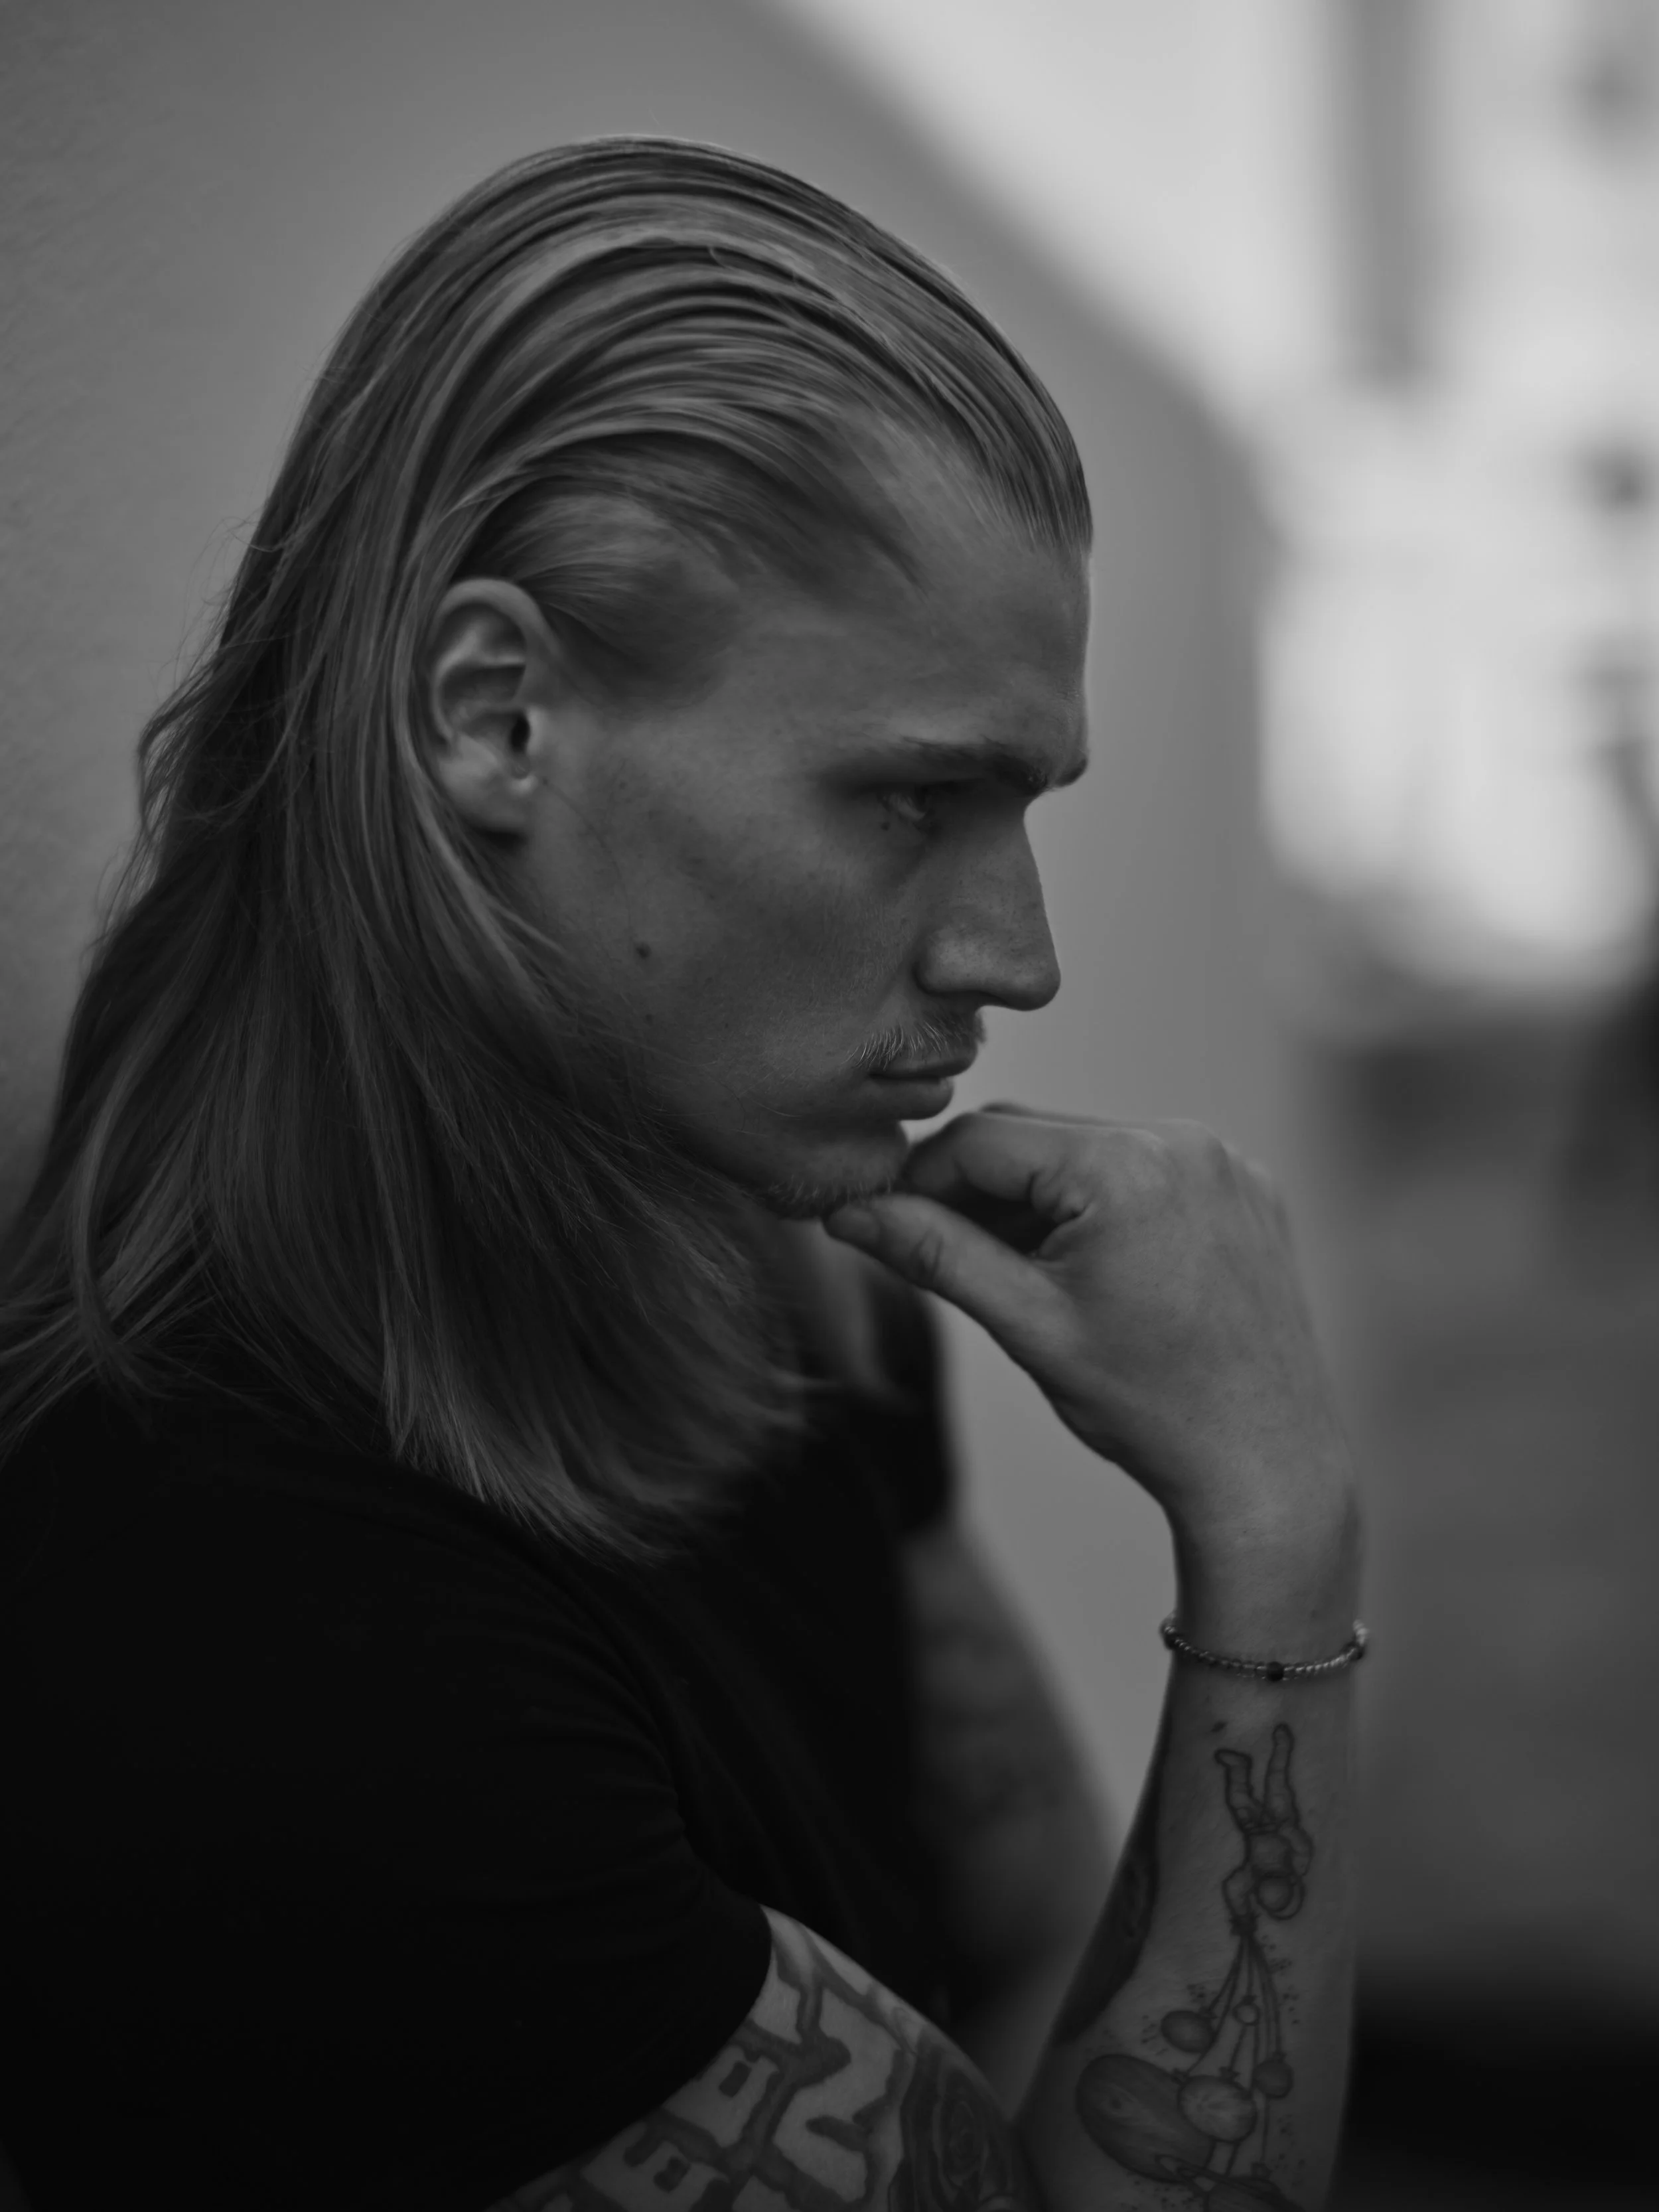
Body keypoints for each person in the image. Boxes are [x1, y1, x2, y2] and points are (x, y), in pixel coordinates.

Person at [0, 139, 1362, 2212]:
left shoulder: (744, 1222)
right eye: (914, 795)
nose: (1018, 955)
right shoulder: (262, 1650)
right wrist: (1272, 1530)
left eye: (1022, 804)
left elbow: (1015, 1951)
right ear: (496, 717)